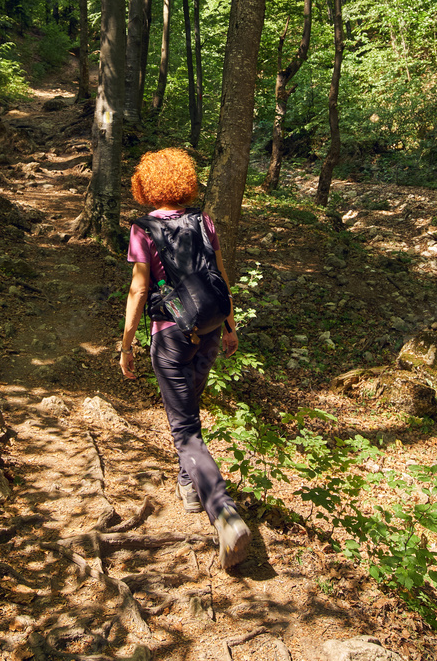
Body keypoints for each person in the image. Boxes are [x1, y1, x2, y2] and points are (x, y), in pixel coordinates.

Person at [120, 148, 251, 570]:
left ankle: (225, 513)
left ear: (146, 186)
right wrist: (229, 326)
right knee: (189, 411)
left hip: (170, 335)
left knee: (185, 431)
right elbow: (221, 275)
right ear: (184, 182)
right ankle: (189, 487)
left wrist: (126, 344)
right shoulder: (203, 221)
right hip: (208, 328)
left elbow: (139, 289)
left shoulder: (143, 229)